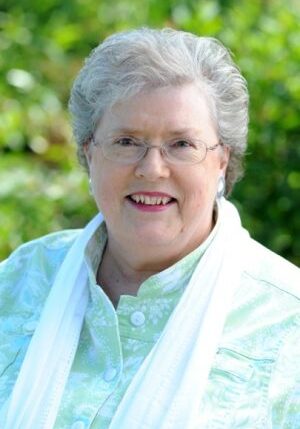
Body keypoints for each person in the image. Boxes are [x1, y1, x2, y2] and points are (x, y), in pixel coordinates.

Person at [0, 27, 299, 429]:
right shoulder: (20, 280)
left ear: (222, 161)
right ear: (90, 154)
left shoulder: (286, 321)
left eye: (182, 144)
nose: (152, 168)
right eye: (126, 141)